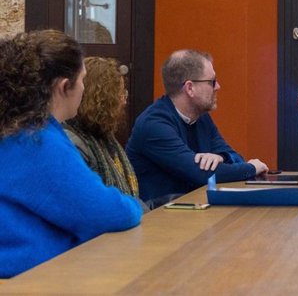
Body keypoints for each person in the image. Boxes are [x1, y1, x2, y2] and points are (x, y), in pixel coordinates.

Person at [0, 30, 142, 278]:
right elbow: (107, 213)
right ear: (64, 86)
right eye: (83, 80)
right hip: (29, 279)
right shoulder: (37, 141)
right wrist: (135, 205)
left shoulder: (16, 129)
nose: (84, 88)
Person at [126, 49, 268, 205]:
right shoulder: (154, 124)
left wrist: (221, 157)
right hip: (158, 220)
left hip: (192, 211)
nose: (218, 87)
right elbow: (200, 174)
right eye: (212, 82)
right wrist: (252, 168)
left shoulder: (201, 117)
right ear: (190, 88)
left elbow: (235, 156)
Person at [63, 56, 139, 197]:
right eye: (121, 94)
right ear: (104, 100)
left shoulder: (103, 137)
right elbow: (90, 200)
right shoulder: (72, 143)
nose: (124, 101)